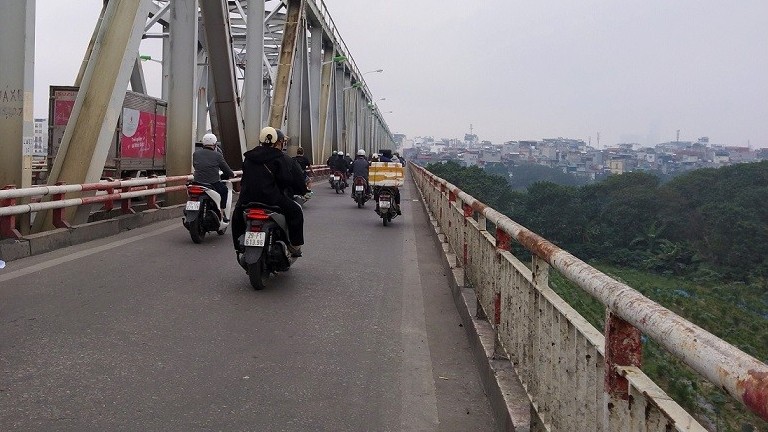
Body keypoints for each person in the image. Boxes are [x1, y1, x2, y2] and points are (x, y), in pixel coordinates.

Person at [232, 127, 308, 257]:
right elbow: (286, 179)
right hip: (271, 199)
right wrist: (300, 189)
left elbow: (245, 179)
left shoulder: (249, 157)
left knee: (236, 216)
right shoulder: (280, 158)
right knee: (296, 212)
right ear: (277, 142)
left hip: (247, 199)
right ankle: (295, 245)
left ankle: (238, 245)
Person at [193, 133, 235, 220]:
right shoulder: (218, 155)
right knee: (224, 190)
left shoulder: (196, 154)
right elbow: (226, 169)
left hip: (197, 182)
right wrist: (232, 174)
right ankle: (222, 212)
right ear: (215, 144)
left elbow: (196, 165)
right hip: (212, 183)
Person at [374, 149, 401, 214]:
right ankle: (398, 205)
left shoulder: (379, 161)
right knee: (397, 193)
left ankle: (377, 204)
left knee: (376, 192)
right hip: (391, 183)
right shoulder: (393, 162)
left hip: (381, 183)